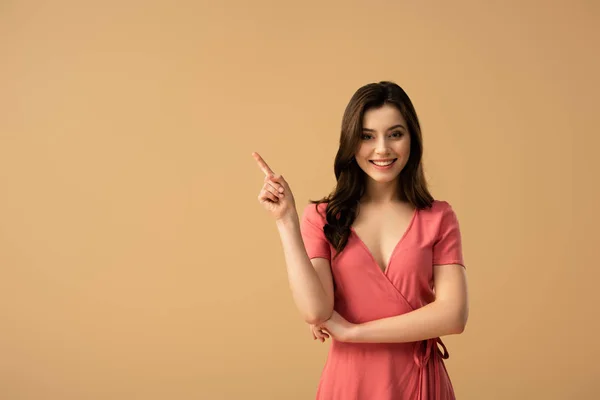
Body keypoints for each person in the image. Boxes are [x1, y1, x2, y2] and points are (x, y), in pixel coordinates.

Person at [252, 81, 469, 400]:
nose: (382, 149)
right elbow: (315, 310)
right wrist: (286, 220)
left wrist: (354, 332)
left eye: (395, 134)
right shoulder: (322, 217)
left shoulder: (439, 217)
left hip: (420, 382)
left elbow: (453, 315)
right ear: (351, 143)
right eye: (367, 136)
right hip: (350, 383)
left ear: (412, 139)